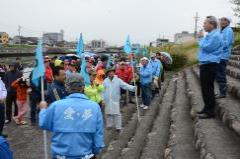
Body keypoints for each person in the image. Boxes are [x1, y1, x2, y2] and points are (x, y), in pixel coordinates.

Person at [39, 75, 104, 159]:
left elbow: (44, 124)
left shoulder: (56, 105)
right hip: (86, 155)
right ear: (83, 88)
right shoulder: (94, 107)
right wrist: (94, 152)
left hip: (61, 156)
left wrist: (43, 109)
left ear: (66, 87)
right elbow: (98, 140)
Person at [197, 16, 223, 119]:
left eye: (205, 23)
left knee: (207, 88)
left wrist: (200, 38)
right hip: (206, 63)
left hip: (210, 64)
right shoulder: (211, 35)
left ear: (212, 24)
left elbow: (207, 47)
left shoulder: (216, 35)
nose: (203, 25)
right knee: (205, 87)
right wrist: (202, 39)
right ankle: (206, 107)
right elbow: (204, 46)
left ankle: (210, 111)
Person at [103, 68, 136, 132]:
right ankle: (109, 125)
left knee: (117, 113)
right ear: (107, 74)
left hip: (115, 99)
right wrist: (103, 99)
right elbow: (102, 91)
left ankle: (118, 127)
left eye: (112, 72)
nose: (111, 73)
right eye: (109, 72)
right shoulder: (105, 81)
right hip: (107, 100)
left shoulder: (118, 80)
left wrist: (132, 88)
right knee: (108, 113)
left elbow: (125, 85)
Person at [215, 16, 234, 98]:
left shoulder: (229, 30)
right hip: (218, 55)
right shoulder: (220, 30)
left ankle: (223, 93)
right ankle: (221, 92)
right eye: (221, 20)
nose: (222, 21)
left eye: (224, 20)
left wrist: (217, 47)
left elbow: (227, 43)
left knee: (221, 74)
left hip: (223, 55)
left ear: (228, 22)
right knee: (218, 74)